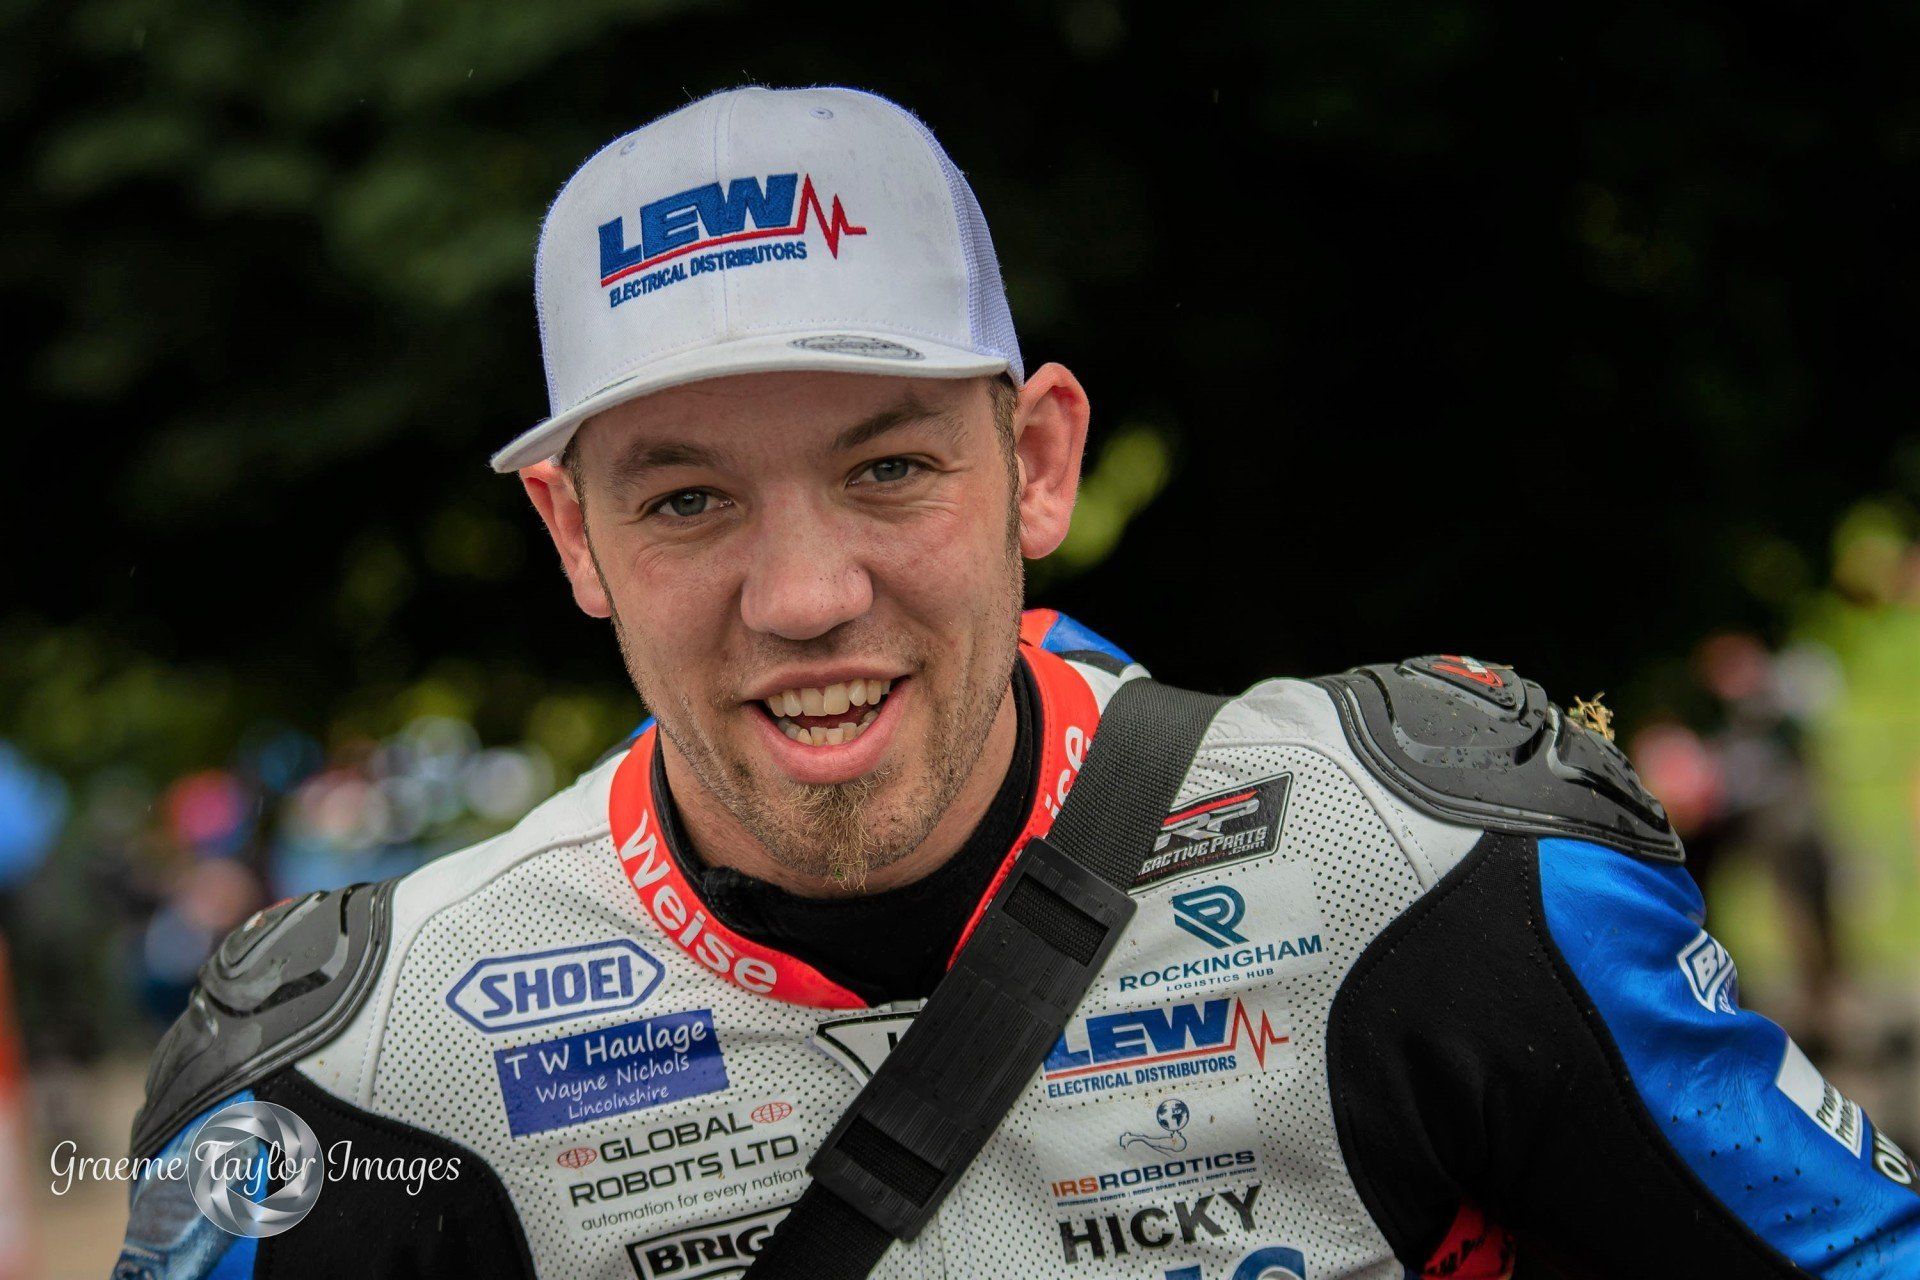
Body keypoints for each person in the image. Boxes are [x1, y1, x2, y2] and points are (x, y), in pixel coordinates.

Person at [115, 86, 1918, 1280]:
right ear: (571, 538)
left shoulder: (1441, 873)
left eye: (891, 469)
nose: (808, 596)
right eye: (684, 500)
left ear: (1038, 464)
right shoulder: (361, 1078)